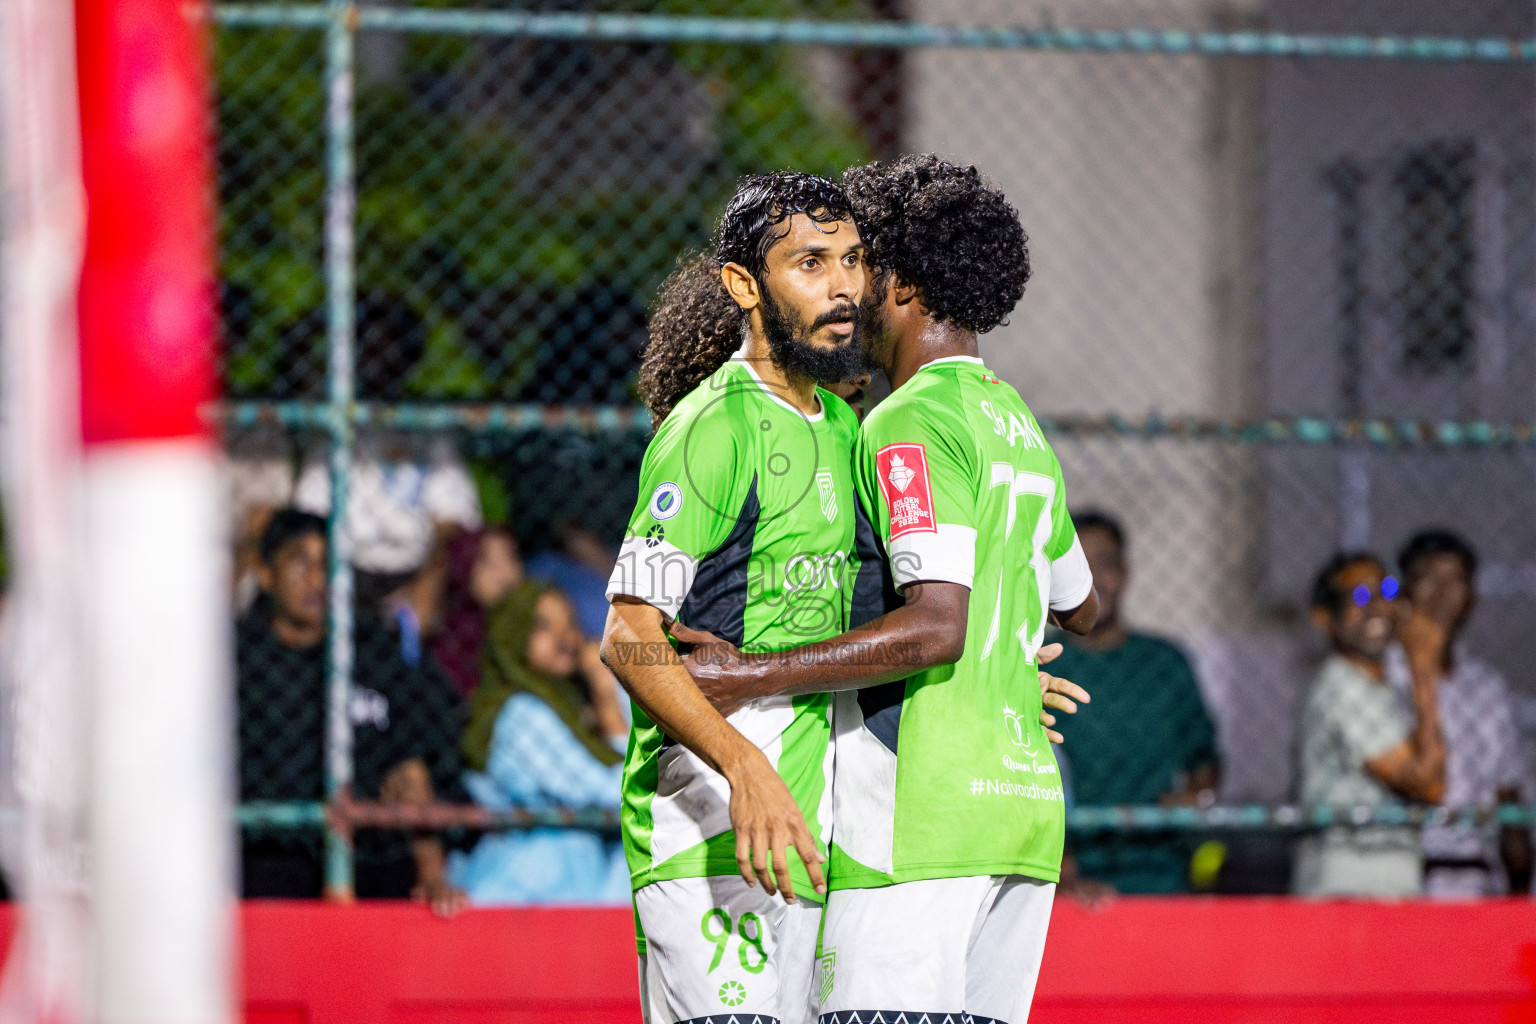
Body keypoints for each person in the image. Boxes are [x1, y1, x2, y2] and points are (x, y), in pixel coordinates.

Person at [678, 154, 1097, 1024]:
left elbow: (936, 625)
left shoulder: (905, 422)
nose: (846, 288)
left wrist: (750, 672)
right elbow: (1082, 604)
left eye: (863, 264)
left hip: (923, 816)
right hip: (1022, 814)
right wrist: (1004, 652)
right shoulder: (1014, 420)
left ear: (901, 282)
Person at [600, 172, 869, 1024]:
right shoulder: (713, 427)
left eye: (854, 261)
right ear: (744, 286)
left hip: (803, 840)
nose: (843, 286)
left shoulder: (842, 424)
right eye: (811, 262)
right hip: (704, 834)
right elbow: (627, 636)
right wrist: (743, 763)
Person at [235, 509, 466, 913]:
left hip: (371, 854)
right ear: (266, 574)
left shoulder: (375, 651)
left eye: (328, 564)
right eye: (299, 560)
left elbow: (413, 767)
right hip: (267, 854)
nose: (316, 578)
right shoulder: (240, 659)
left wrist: (432, 875)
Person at [1048, 509, 1219, 894]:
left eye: (1105, 564)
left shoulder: (1165, 663)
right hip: (1063, 873)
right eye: (1080, 565)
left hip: (1159, 867)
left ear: (1125, 572)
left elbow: (1204, 759)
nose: (1093, 580)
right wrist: (1061, 868)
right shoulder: (1038, 658)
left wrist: (1194, 799)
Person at [450, 582, 631, 904]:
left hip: (563, 889)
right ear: (514, 635)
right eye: (543, 626)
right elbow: (619, 793)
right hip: (523, 890)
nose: (565, 637)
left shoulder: (570, 706)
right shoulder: (521, 714)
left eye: (570, 624)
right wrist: (606, 698)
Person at [1293, 552, 1447, 898]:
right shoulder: (1342, 684)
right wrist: (1423, 666)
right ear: (1324, 619)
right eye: (1359, 597)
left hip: (1382, 874)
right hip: (1352, 877)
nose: (1377, 606)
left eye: (1387, 590)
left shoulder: (1375, 686)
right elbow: (1428, 783)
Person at [1389, 530, 1530, 897]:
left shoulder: (1487, 687)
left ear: (1472, 598)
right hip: (1402, 882)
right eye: (1428, 579)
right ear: (1404, 591)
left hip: (1477, 884)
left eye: (1456, 581)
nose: (1442, 595)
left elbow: (1507, 792)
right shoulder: (1383, 679)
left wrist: (1519, 886)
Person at [428, 527, 525, 699]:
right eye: (486, 560)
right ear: (463, 564)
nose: (504, 572)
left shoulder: (532, 630)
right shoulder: (442, 645)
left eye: (510, 557)